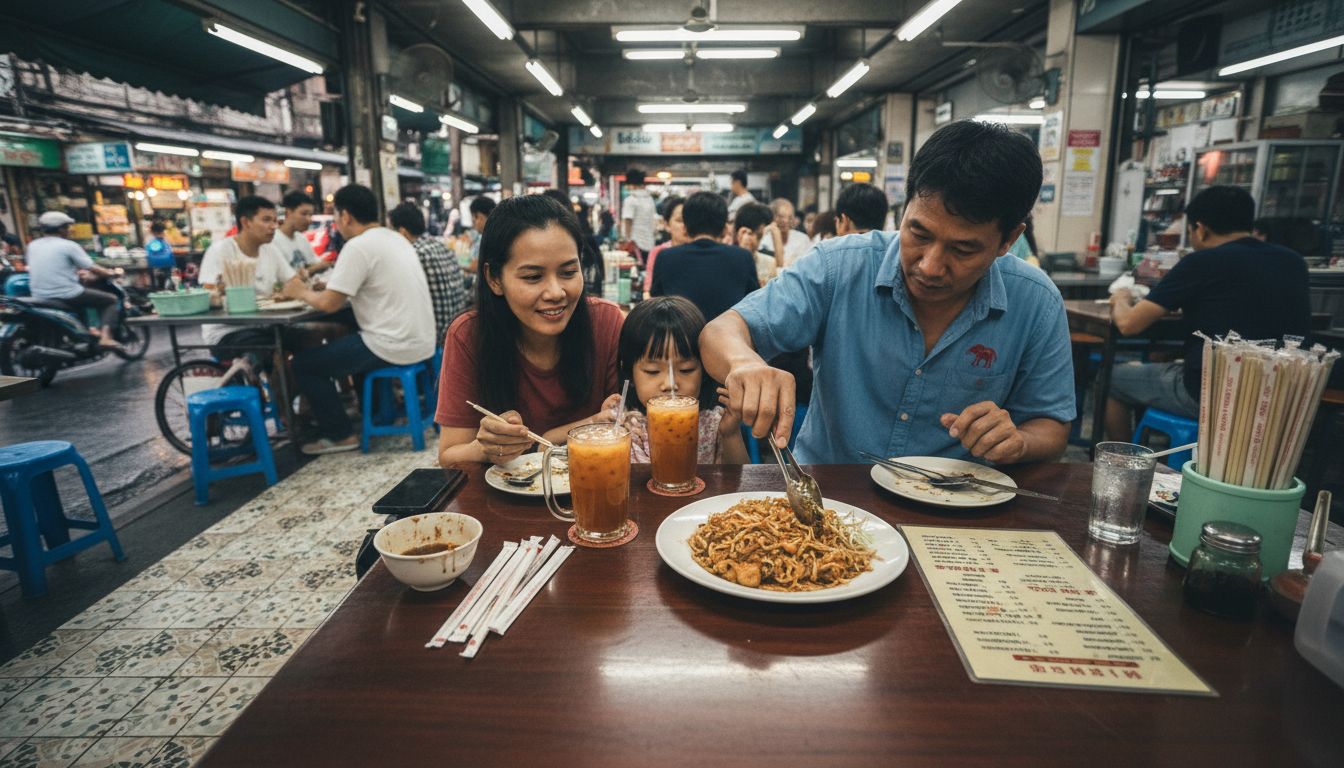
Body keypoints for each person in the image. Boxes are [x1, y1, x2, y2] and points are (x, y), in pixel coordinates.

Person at [701, 119, 1075, 464]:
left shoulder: (1036, 302)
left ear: (1009, 239)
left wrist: (1019, 441)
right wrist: (745, 363)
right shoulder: (839, 267)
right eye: (919, 234)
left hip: (956, 509)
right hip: (828, 501)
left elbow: (1052, 427)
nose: (929, 265)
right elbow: (720, 331)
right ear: (903, 209)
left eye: (962, 250)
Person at [1106, 185, 1311, 439]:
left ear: (1201, 229)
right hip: (1281, 396)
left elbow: (1128, 325)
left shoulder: (1200, 262)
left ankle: (1123, 462)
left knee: (1111, 378)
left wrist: (1121, 297)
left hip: (1210, 394)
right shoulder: (1293, 262)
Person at [435, 194, 625, 465]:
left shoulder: (605, 322)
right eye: (533, 277)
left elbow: (627, 428)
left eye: (569, 272)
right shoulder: (468, 335)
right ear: (494, 279)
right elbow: (449, 456)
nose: (556, 292)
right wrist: (484, 448)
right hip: (503, 499)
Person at [282, 185, 436, 455]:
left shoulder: (358, 246)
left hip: (393, 344)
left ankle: (340, 434)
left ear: (346, 216)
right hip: (422, 341)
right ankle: (375, 413)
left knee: (305, 366)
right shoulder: (393, 238)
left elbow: (330, 303)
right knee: (348, 332)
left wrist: (299, 292)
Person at [618, 296, 748, 464]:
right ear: (629, 373)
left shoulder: (714, 424)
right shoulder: (623, 422)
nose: (670, 384)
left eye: (686, 370)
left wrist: (730, 434)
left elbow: (741, 483)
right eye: (653, 371)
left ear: (705, 370)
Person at [198, 196, 297, 371]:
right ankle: (278, 397)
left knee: (311, 338)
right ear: (246, 222)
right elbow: (210, 294)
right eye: (266, 220)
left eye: (275, 220)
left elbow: (293, 281)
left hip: (266, 325)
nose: (273, 226)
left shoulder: (270, 250)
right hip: (227, 332)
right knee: (276, 353)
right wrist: (220, 291)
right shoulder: (220, 251)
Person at [650, 191, 759, 325]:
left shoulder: (665, 257)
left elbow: (655, 305)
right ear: (725, 229)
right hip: (726, 341)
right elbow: (754, 305)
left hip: (681, 342)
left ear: (685, 227)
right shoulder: (743, 257)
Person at [25, 211, 124, 348]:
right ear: (61, 229)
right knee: (110, 300)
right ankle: (105, 337)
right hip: (66, 294)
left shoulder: (32, 245)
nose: (70, 230)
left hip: (39, 295)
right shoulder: (68, 245)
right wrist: (111, 273)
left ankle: (86, 330)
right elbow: (93, 268)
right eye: (67, 227)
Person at [388, 202, 469, 343]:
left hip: (433, 338)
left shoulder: (412, 254)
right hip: (457, 330)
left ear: (402, 232)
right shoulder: (442, 246)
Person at [273, 191, 332, 279]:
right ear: (288, 213)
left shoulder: (301, 238)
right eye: (304, 214)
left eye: (311, 215)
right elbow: (282, 278)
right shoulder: (273, 241)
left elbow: (315, 263)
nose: (309, 219)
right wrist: (313, 269)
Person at [643, 196, 687, 295]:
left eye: (688, 220)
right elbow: (648, 291)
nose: (685, 225)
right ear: (667, 225)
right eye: (679, 220)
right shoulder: (658, 252)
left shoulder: (700, 253)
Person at [732, 202, 779, 286]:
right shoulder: (727, 259)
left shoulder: (769, 263)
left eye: (760, 236)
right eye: (751, 234)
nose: (755, 241)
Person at [759, 198, 812, 268]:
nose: (785, 221)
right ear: (772, 217)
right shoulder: (763, 239)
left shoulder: (802, 239)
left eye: (789, 217)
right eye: (780, 217)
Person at [620, 169, 657, 256]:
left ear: (632, 185)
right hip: (650, 243)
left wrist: (627, 239)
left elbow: (628, 221)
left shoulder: (630, 200)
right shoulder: (650, 199)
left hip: (635, 244)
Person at [468, 195, 496, 271]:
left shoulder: (490, 239)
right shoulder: (481, 237)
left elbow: (476, 266)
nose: (473, 221)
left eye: (476, 217)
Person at [144, 220, 175, 286]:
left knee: (163, 283)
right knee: (163, 282)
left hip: (161, 266)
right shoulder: (156, 241)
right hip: (161, 266)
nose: (163, 233)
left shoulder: (156, 240)